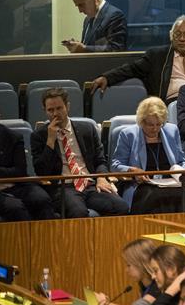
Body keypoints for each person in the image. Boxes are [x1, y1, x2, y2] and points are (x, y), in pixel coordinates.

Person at [30, 88, 127, 218]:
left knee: (121, 207)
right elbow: (42, 172)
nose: (55, 114)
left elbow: (100, 160)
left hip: (90, 184)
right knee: (78, 213)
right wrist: (50, 141)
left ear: (67, 107)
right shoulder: (39, 136)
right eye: (50, 110)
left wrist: (101, 178)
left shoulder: (86, 129)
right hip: (63, 187)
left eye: (59, 108)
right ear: (45, 111)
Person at [0, 97, 55, 222]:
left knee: (42, 199)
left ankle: (49, 239)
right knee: (16, 208)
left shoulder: (13, 138)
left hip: (15, 185)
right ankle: (28, 240)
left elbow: (20, 171)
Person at [111, 96, 185, 213]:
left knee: (183, 196)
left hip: (170, 183)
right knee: (155, 196)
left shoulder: (172, 131)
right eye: (150, 125)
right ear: (141, 122)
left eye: (159, 124)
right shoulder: (128, 135)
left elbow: (181, 160)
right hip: (143, 185)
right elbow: (115, 165)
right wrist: (132, 171)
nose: (155, 129)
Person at [92, 16, 185, 102]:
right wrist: (107, 77)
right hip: (173, 104)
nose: (182, 39)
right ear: (171, 36)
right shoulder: (157, 56)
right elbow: (131, 69)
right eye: (178, 34)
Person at [95, 238, 160, 305]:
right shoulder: (143, 283)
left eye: (129, 265)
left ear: (142, 263)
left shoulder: (157, 286)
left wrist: (104, 304)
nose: (126, 270)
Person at [62, 0, 127, 53]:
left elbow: (116, 49)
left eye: (81, 5)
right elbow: (89, 45)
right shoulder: (87, 19)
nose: (80, 11)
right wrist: (78, 46)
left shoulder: (115, 15)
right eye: (77, 6)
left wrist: (84, 48)